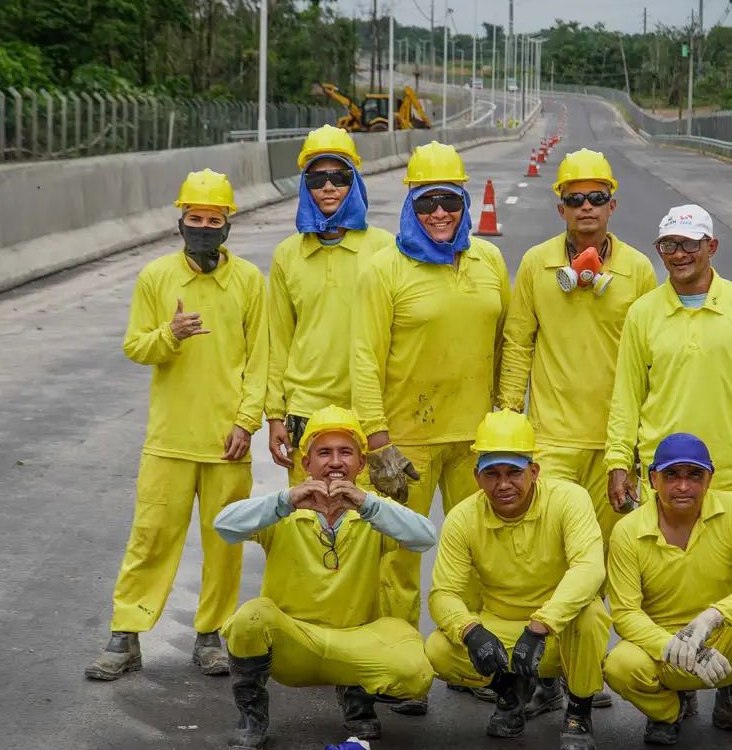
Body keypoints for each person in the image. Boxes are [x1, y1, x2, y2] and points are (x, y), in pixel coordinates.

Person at [85, 169, 266, 681]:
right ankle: (126, 635)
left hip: (227, 441)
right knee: (151, 536)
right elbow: (135, 346)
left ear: (229, 223)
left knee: (225, 543)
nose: (205, 227)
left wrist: (247, 422)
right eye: (196, 218)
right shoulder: (156, 278)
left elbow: (263, 359)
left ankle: (211, 634)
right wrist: (170, 334)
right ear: (180, 221)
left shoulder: (250, 281)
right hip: (169, 439)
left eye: (214, 219)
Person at [351, 142, 511, 714]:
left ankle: (469, 665)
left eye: (450, 201)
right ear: (410, 204)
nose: (440, 214)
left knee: (478, 554)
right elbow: (364, 360)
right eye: (427, 203)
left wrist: (507, 419)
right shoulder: (384, 271)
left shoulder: (488, 262)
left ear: (465, 201)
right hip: (406, 443)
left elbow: (506, 345)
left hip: (477, 441)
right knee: (397, 557)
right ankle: (398, 666)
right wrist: (378, 441)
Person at [497, 147, 657, 717]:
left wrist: (639, 445)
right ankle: (545, 676)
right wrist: (509, 419)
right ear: (559, 205)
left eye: (596, 198)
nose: (586, 207)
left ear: (613, 203)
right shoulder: (536, 264)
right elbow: (518, 343)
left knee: (607, 560)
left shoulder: (637, 269)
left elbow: (648, 359)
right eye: (574, 199)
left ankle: (581, 664)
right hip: (551, 442)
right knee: (551, 559)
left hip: (613, 445)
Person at [604, 203, 732, 711]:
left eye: (689, 245)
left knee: (728, 580)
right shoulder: (644, 313)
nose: (678, 255)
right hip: (661, 472)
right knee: (668, 583)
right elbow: (627, 397)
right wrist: (620, 462)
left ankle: (729, 685)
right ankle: (673, 684)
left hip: (723, 473)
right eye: (669, 246)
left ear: (711, 247)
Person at [211, 406, 437, 750]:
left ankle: (357, 698)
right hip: (294, 648)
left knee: (416, 671)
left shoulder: (372, 512)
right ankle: (252, 716)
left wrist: (367, 504)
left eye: (346, 452)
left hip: (353, 642)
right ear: (307, 464)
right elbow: (224, 525)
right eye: (324, 453)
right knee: (250, 617)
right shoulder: (283, 512)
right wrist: (285, 500)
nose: (335, 462)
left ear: (361, 464)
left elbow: (425, 537)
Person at [424, 410, 610, 750]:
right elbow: (443, 593)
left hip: (558, 631)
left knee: (589, 616)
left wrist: (543, 624)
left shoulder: (569, 500)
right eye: (492, 474)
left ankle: (578, 714)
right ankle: (510, 691)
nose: (503, 484)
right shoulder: (463, 518)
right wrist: (471, 630)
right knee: (438, 650)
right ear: (477, 477)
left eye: (514, 472)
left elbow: (589, 569)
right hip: (504, 628)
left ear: (534, 471)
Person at [604, 433, 732, 750]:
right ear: (652, 478)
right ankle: (669, 712)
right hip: (665, 651)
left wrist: (711, 618)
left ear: (710, 479)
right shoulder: (628, 532)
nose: (683, 486)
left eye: (694, 475)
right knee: (619, 666)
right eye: (672, 475)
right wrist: (674, 645)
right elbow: (625, 613)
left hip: (724, 645)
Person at [265, 125, 394, 484]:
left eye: (339, 176)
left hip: (365, 411)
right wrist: (276, 415)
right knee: (309, 525)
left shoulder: (384, 248)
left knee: (362, 528)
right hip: (305, 411)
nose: (328, 187)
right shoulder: (287, 255)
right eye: (317, 178)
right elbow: (278, 339)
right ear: (305, 185)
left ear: (354, 181)